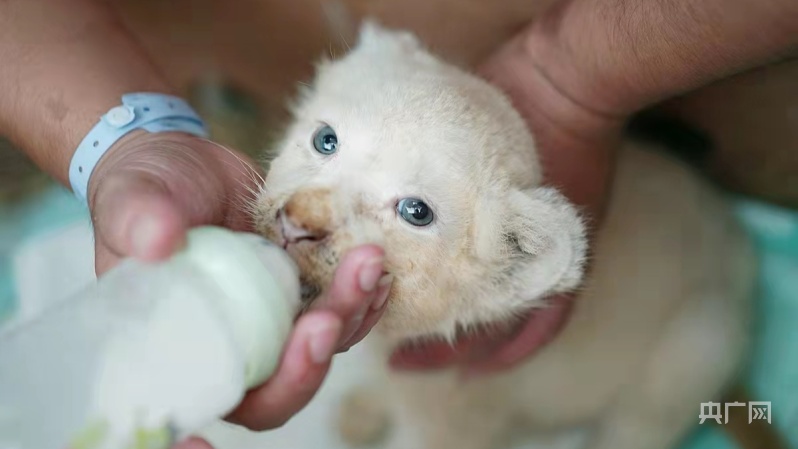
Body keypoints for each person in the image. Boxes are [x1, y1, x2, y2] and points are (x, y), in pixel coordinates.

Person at [0, 0, 795, 448]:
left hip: (673, 331)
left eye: (415, 211)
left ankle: (719, 417)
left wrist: (570, 88)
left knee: (682, 378)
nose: (309, 214)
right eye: (326, 141)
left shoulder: (513, 263)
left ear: (514, 265)